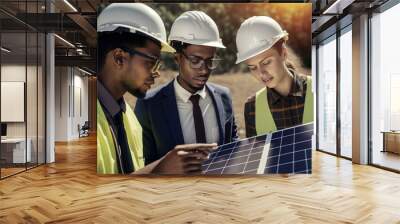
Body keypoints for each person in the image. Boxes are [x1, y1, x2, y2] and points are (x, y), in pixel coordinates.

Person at [97, 3, 217, 175]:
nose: (156, 73)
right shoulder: (88, 122)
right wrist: (158, 170)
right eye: (150, 63)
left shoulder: (130, 120)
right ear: (119, 58)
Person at [135, 11, 238, 165]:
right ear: (178, 58)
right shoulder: (149, 105)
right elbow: (144, 166)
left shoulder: (224, 97)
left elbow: (233, 148)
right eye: (195, 60)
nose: (204, 70)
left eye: (210, 61)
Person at [235, 16, 313, 137]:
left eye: (266, 62)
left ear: (284, 53)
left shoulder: (321, 89)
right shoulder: (252, 108)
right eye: (253, 67)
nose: (261, 73)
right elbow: (257, 154)